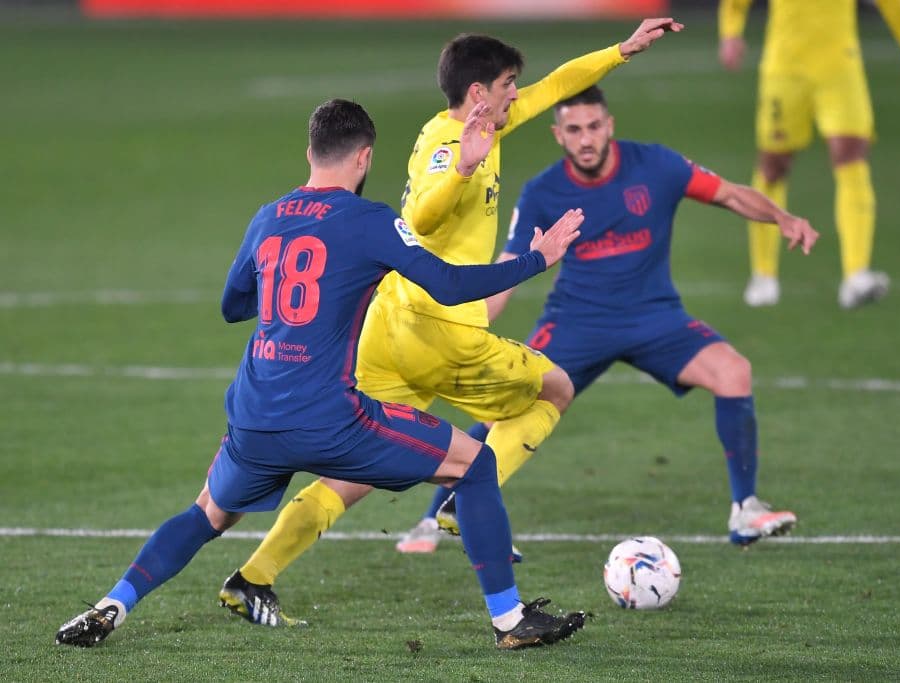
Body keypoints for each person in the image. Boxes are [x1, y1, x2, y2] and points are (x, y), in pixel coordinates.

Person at [55, 98, 589, 651]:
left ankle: (111, 605)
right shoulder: (370, 221)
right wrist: (537, 259)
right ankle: (509, 620)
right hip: (331, 421)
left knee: (206, 514)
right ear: (364, 158)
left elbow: (232, 305)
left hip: (255, 419)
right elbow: (450, 287)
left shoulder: (268, 216)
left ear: (309, 152)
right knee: (475, 466)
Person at [217, 19, 683, 628]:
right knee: (555, 389)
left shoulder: (490, 123)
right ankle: (464, 509)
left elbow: (559, 84)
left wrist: (620, 51)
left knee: (349, 474)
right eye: (510, 84)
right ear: (479, 95)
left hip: (388, 332)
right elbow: (423, 212)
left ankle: (252, 576)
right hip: (440, 332)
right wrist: (463, 168)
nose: (521, 93)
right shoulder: (447, 143)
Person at [399, 85, 818, 551]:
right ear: (558, 135)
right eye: (574, 129)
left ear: (609, 126)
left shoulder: (656, 165)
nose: (586, 138)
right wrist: (468, 324)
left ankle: (746, 511)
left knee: (734, 371)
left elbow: (730, 195)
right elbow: (510, 265)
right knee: (513, 399)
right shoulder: (543, 191)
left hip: (655, 317)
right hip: (578, 322)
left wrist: (781, 217)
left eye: (594, 126)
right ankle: (435, 516)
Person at [718, 0, 900, 308]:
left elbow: (891, 3)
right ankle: (763, 275)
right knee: (773, 166)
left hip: (840, 68)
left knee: (851, 156)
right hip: (785, 69)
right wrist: (730, 34)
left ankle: (856, 275)